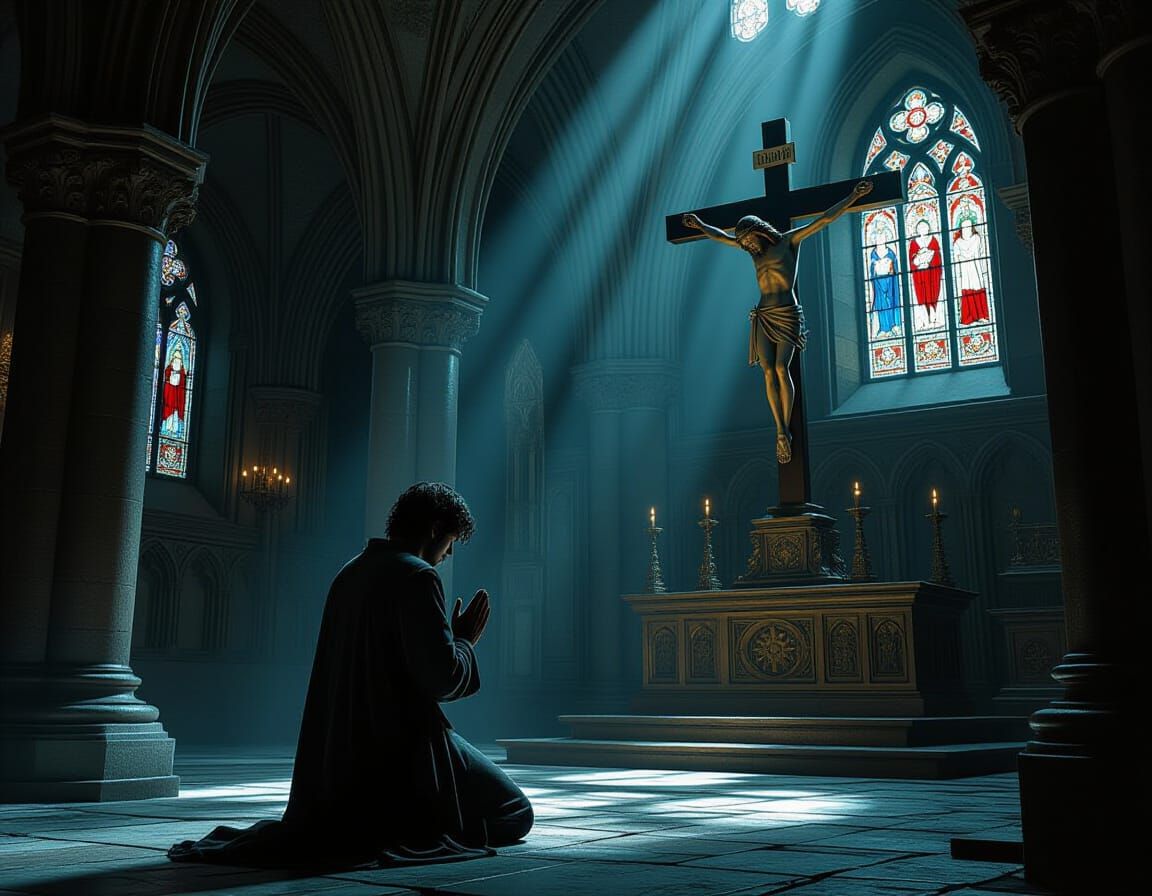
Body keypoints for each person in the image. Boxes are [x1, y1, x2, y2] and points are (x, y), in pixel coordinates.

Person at [169, 482, 532, 868]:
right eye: (451, 539)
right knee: (515, 812)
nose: (450, 552)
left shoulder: (351, 571)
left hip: (342, 754)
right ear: (433, 528)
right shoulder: (418, 576)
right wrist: (464, 641)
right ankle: (415, 823)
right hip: (401, 749)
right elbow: (442, 678)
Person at [683, 178, 873, 463]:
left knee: (782, 368)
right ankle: (780, 429)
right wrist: (699, 226)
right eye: (744, 243)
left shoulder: (788, 242)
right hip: (763, 314)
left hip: (786, 312)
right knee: (768, 370)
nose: (746, 246)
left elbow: (823, 220)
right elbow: (721, 238)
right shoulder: (752, 252)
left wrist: (851, 197)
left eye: (748, 240)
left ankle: (785, 427)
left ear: (759, 232)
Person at [952, 215, 991, 324]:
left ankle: (982, 315)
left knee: (977, 288)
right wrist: (962, 256)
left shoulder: (976, 238)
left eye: (969, 227)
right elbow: (956, 255)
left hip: (975, 267)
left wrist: (962, 255)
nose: (967, 230)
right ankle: (969, 316)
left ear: (972, 228)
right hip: (964, 270)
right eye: (964, 227)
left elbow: (971, 252)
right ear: (961, 229)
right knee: (967, 290)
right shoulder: (958, 242)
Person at [908, 218, 943, 323]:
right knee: (922, 295)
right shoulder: (914, 242)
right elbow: (911, 259)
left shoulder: (933, 240)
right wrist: (917, 260)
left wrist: (930, 256)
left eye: (925, 227)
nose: (923, 229)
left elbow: (938, 257)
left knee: (933, 293)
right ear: (917, 230)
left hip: (932, 273)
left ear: (929, 228)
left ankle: (934, 314)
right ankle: (925, 318)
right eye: (920, 227)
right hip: (920, 274)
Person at [161, 347, 187, 436]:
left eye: (179, 360)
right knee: (169, 413)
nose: (177, 362)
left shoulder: (182, 373)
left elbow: (183, 384)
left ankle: (176, 431)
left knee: (176, 414)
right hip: (170, 398)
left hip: (177, 399)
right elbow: (167, 379)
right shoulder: (168, 370)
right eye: (175, 360)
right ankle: (166, 429)